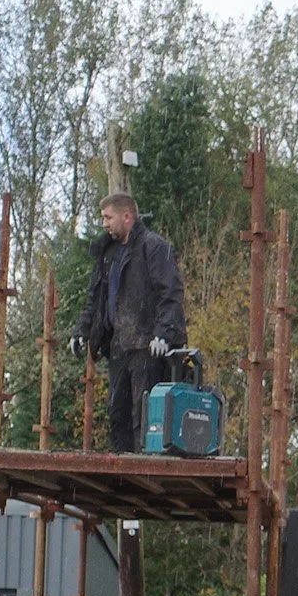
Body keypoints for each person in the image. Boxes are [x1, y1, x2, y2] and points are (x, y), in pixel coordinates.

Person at [68, 191, 187, 453]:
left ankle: (142, 471)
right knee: (117, 412)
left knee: (143, 414)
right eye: (102, 218)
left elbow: (171, 292)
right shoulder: (107, 254)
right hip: (118, 345)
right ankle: (122, 473)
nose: (104, 224)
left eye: (108, 217)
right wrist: (82, 331)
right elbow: (96, 298)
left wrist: (164, 334)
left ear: (126, 217)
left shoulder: (154, 247)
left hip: (147, 346)